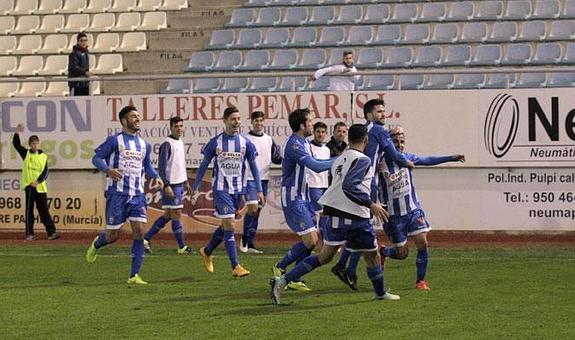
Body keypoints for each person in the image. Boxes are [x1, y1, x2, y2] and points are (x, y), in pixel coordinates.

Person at [270, 124, 400, 305]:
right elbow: (349, 185)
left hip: (335, 215)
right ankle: (379, 293)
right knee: (373, 257)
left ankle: (282, 280)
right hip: (357, 217)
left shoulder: (340, 159)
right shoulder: (363, 160)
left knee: (324, 256)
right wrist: (371, 204)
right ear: (366, 140)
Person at [331, 98, 414, 290]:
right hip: (369, 183)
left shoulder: (361, 129)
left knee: (361, 228)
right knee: (364, 229)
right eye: (379, 112)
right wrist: (406, 162)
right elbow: (393, 154)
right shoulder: (379, 130)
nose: (383, 115)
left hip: (355, 179)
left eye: (384, 111)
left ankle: (345, 268)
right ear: (369, 114)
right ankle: (347, 269)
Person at [379, 126, 465, 290]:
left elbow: (428, 160)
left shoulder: (407, 158)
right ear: (389, 143)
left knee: (423, 243)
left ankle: (420, 281)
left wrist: (451, 158)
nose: (399, 145)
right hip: (394, 216)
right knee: (402, 254)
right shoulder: (380, 163)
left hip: (413, 211)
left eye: (402, 142)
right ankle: (384, 252)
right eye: (395, 142)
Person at [86, 105, 163, 285]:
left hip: (137, 195)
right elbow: (96, 158)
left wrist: (156, 176)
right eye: (133, 116)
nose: (137, 119)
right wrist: (108, 170)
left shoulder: (144, 145)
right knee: (113, 236)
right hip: (117, 194)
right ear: (124, 121)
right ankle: (98, 243)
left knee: (139, 230)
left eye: (138, 116)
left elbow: (147, 167)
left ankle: (133, 275)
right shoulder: (114, 141)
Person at [191, 106, 264, 278]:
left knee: (225, 225)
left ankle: (207, 251)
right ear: (224, 121)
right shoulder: (215, 142)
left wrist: (259, 190)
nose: (236, 122)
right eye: (233, 119)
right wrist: (195, 187)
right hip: (221, 189)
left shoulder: (246, 143)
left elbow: (254, 167)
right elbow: (203, 165)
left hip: (238, 190)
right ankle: (235, 266)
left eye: (238, 119)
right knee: (230, 225)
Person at [271, 108, 334, 292]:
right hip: (293, 198)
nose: (312, 125)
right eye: (310, 122)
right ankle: (281, 267)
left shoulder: (304, 143)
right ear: (302, 125)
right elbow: (315, 166)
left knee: (313, 240)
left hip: (303, 197)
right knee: (311, 240)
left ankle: (294, 277)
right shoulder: (295, 145)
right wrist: (342, 158)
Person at [143, 116, 193, 255]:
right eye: (176, 126)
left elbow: (179, 165)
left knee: (168, 215)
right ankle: (182, 246)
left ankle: (145, 239)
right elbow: (162, 166)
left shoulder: (180, 142)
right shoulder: (167, 144)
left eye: (181, 126)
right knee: (176, 214)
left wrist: (185, 182)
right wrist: (166, 185)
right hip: (171, 185)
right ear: (170, 127)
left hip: (179, 184)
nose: (179, 128)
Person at [240, 111, 283, 254]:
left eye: (261, 120)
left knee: (257, 211)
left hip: (264, 179)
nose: (259, 123)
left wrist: (282, 158)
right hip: (250, 179)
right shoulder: (245, 139)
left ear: (264, 122)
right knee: (252, 208)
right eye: (256, 120)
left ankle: (251, 244)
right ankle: (244, 239)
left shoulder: (269, 139)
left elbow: (276, 158)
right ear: (251, 122)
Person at [12, 124, 59, 241]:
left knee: (44, 211)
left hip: (40, 187)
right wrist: (16, 133)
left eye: (36, 143)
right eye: (33, 143)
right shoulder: (26, 154)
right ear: (30, 145)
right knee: (29, 211)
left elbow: (45, 172)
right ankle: (29, 234)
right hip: (29, 187)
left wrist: (38, 181)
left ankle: (51, 232)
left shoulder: (43, 156)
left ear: (39, 144)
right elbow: (16, 145)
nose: (35, 145)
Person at [308, 122, 331, 242]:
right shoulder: (308, 147)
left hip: (324, 185)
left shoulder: (327, 149)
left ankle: (318, 240)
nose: (320, 134)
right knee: (322, 213)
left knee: (319, 215)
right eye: (318, 132)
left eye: (323, 132)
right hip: (313, 185)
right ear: (314, 132)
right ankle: (324, 241)